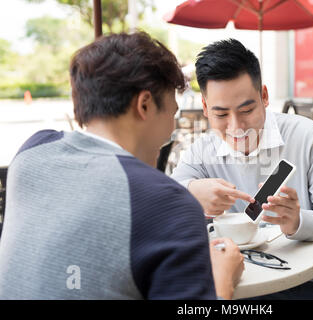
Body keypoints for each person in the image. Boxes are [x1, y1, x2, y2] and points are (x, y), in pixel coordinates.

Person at [0, 32, 244, 300]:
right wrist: (222, 278)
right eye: (172, 114)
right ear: (145, 104)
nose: (171, 131)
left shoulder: (32, 152)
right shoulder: (167, 203)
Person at [171, 39, 313, 300]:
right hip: (255, 281)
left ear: (264, 96)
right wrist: (192, 190)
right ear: (206, 108)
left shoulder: (308, 137)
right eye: (221, 114)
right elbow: (168, 199)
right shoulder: (202, 150)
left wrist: (300, 221)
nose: (236, 127)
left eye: (247, 109)